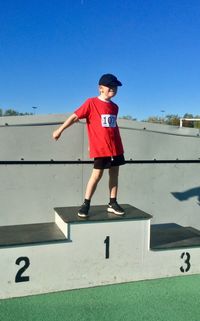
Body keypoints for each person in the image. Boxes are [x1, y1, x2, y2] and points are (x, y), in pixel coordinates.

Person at [52, 73, 125, 218]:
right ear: (100, 88)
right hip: (101, 148)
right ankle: (86, 204)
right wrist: (59, 130)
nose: (113, 88)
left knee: (114, 173)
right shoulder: (91, 103)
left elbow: (110, 127)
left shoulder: (115, 107)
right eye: (110, 86)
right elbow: (75, 116)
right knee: (97, 175)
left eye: (115, 86)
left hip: (116, 146)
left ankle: (112, 202)